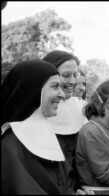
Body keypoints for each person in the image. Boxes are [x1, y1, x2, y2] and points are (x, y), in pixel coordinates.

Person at [0, 59, 91, 194]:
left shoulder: (47, 133)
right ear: (33, 90)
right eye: (55, 86)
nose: (61, 94)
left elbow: (63, 185)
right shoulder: (9, 145)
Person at [43, 50, 88, 191]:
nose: (73, 82)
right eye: (66, 76)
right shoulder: (40, 111)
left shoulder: (81, 107)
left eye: (75, 75)